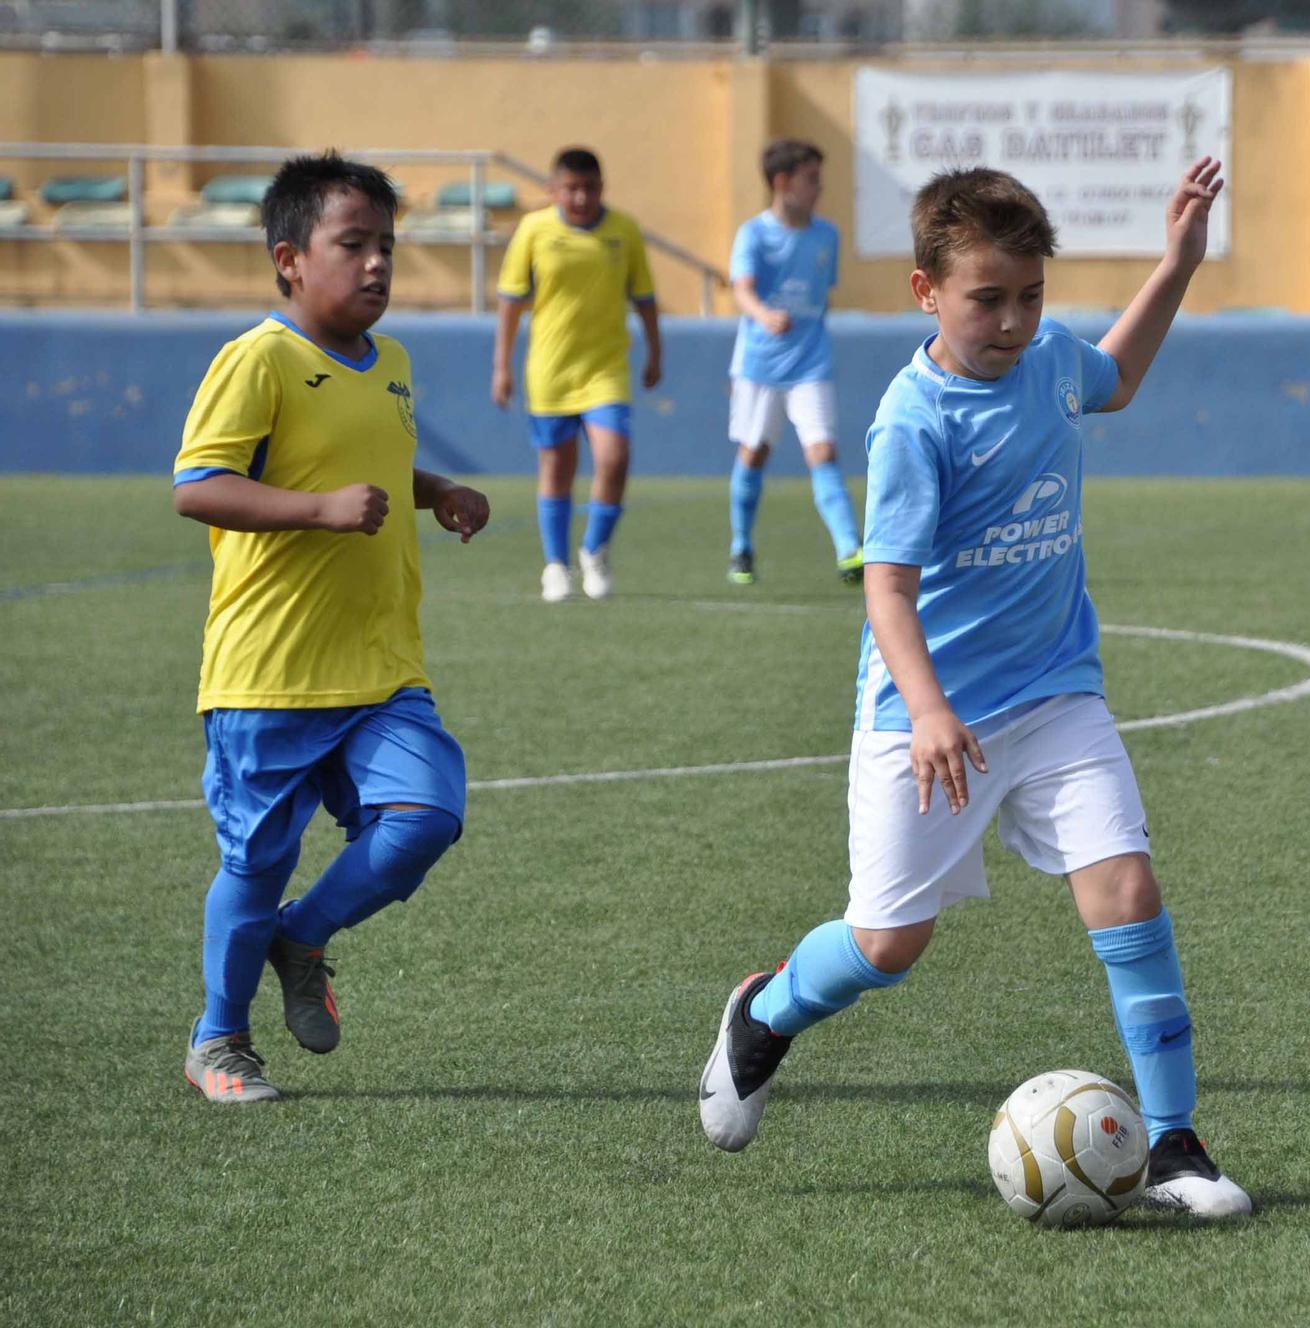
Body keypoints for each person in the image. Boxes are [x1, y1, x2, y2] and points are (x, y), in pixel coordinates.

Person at [699, 159, 1252, 1217]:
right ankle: (763, 1011)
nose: (1011, 320)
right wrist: (930, 708)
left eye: (1029, 295)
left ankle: (1175, 1142)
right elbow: (887, 591)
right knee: (886, 944)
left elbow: (1118, 376)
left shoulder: (1048, 362)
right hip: (925, 714)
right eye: (985, 298)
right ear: (925, 292)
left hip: (1055, 694)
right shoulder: (914, 419)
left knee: (1126, 888)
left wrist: (1176, 263)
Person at [171, 151, 490, 1103]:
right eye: (352, 245)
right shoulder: (258, 359)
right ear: (289, 259)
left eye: (387, 245)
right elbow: (197, 488)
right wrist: (317, 511)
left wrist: (436, 491)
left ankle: (301, 935)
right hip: (268, 674)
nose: (378, 264)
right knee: (255, 860)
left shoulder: (388, 362)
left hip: (381, 667)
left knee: (427, 817)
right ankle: (219, 1042)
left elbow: (372, 466)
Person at [493, 147, 660, 602]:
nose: (581, 197)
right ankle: (556, 565)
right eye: (571, 188)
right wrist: (501, 367)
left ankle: (594, 549)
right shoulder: (534, 230)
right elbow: (510, 301)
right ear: (553, 190)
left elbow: (644, 296)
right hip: (550, 371)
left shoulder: (623, 230)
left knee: (614, 457)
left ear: (602, 188)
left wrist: (655, 353)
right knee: (557, 467)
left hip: (605, 370)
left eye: (589, 188)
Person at [724, 139, 861, 586]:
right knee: (755, 452)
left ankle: (848, 549)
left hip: (810, 362)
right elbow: (742, 288)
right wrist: (764, 315)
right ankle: (741, 547)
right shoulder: (754, 234)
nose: (819, 188)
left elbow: (826, 294)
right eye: (811, 179)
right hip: (760, 364)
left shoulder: (827, 235)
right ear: (782, 183)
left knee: (822, 450)